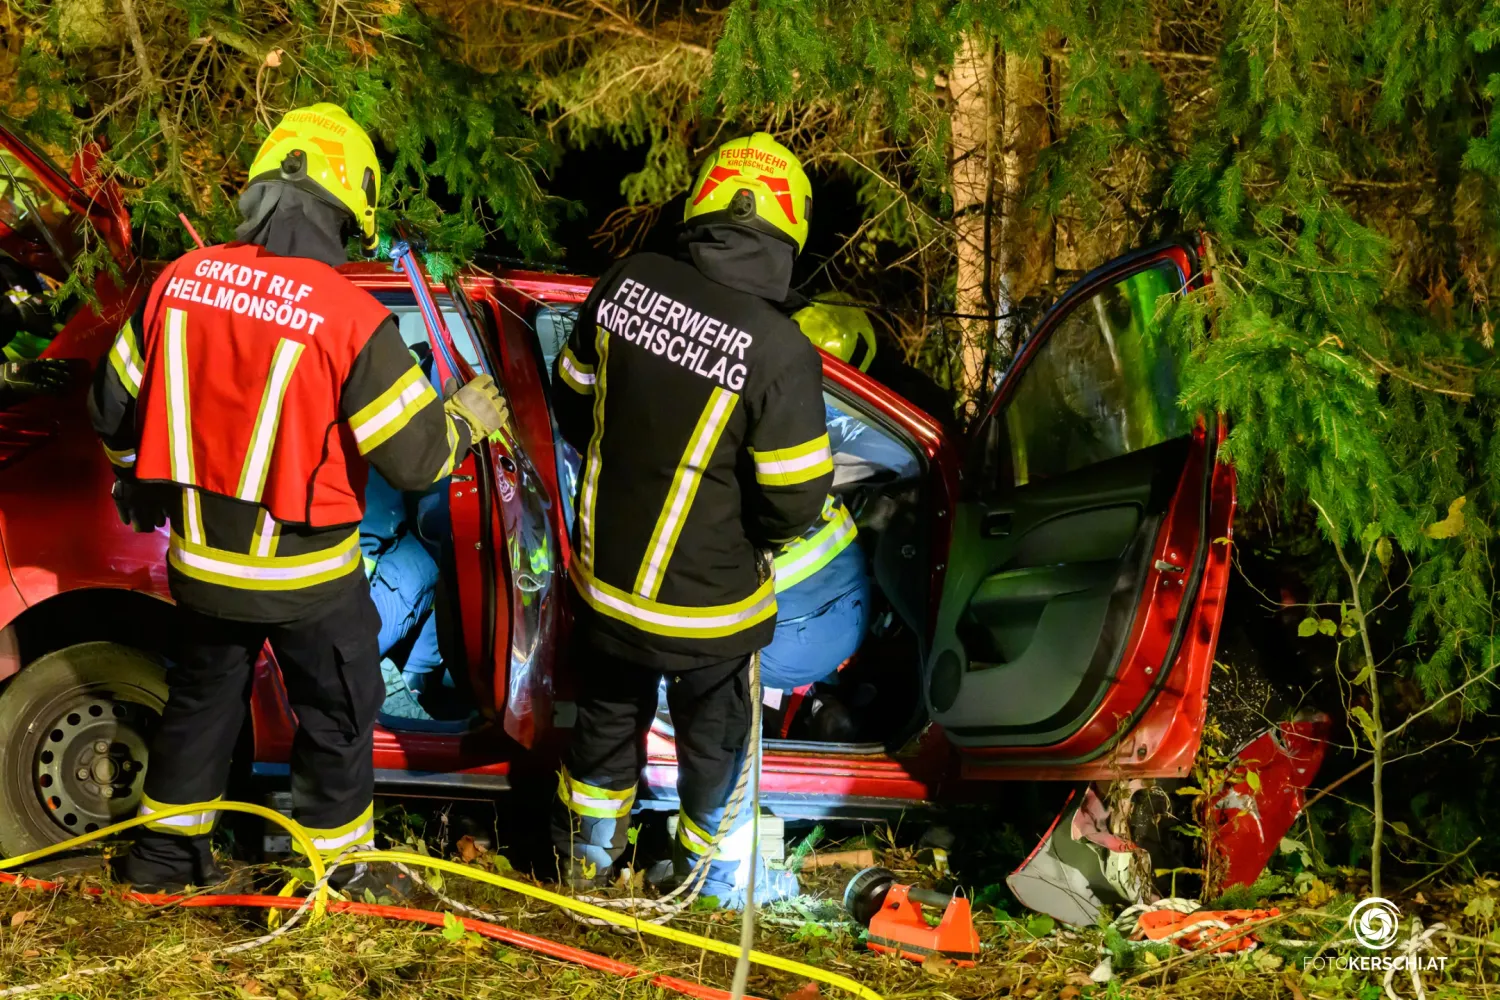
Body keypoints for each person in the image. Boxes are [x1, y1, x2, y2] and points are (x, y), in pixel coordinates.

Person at [88, 103, 509, 893]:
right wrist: (466, 419)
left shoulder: (178, 281)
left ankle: (162, 864)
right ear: (346, 210)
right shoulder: (349, 317)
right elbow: (418, 462)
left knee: (202, 706)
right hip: (307, 582)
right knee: (341, 714)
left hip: (204, 570)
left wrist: (132, 477)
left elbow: (111, 410)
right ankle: (330, 879)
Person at [549, 132, 831, 908]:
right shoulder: (780, 349)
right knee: (717, 741)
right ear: (790, 227)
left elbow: (572, 394)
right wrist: (755, 539)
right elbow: (797, 496)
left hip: (608, 590)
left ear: (703, 200)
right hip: (710, 609)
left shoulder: (627, 283)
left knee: (606, 721)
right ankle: (699, 879)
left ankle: (586, 867)